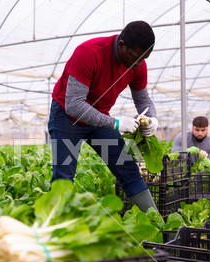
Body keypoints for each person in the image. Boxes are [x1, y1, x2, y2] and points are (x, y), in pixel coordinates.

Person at [48, 21, 159, 213]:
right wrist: (115, 123)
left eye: (143, 58)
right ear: (121, 45)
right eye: (135, 58)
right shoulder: (89, 53)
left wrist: (152, 118)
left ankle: (157, 226)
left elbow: (143, 100)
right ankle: (56, 230)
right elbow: (75, 105)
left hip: (99, 117)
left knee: (128, 169)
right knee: (64, 177)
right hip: (67, 116)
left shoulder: (138, 64)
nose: (138, 64)